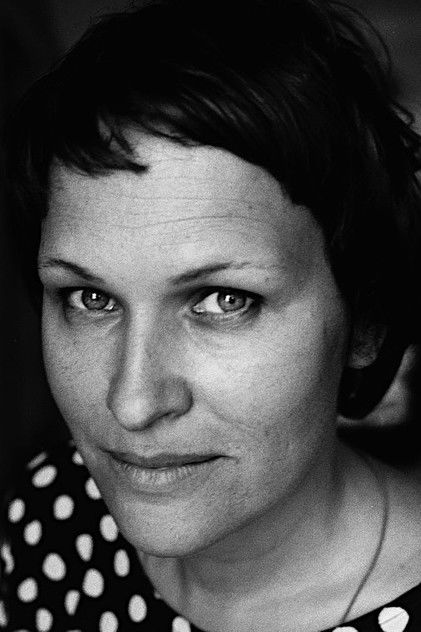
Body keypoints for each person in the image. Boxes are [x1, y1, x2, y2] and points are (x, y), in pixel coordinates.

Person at [1, 0, 421, 630]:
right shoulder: (55, 513)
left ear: (366, 321)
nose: (132, 404)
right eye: (90, 298)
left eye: (225, 301)